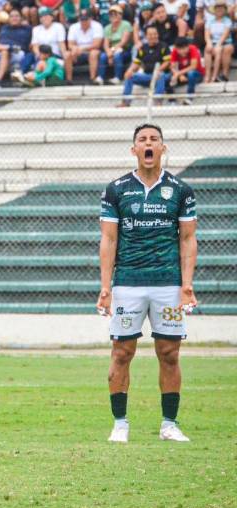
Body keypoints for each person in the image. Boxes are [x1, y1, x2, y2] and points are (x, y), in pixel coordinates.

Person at [97, 123, 197, 445]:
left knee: (169, 353)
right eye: (143, 140)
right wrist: (106, 287)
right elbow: (108, 240)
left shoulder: (181, 190)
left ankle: (169, 424)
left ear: (163, 148)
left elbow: (188, 238)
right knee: (122, 351)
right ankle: (120, 424)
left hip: (168, 284)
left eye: (154, 139)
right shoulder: (116, 189)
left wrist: (186, 285)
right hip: (128, 284)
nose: (148, 144)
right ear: (134, 149)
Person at [119, 25, 169, 107]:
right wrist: (130, 70)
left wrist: (158, 71)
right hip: (147, 76)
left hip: (161, 77)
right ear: (146, 36)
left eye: (155, 34)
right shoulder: (143, 48)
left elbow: (167, 62)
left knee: (161, 75)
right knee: (130, 76)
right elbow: (136, 63)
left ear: (158, 34)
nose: (153, 36)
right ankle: (125, 102)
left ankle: (158, 101)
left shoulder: (164, 46)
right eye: (150, 34)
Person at [65, 9, 103, 83]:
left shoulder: (97, 26)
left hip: (91, 50)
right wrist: (75, 49)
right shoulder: (73, 27)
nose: (83, 21)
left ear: (91, 18)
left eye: (86, 19)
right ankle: (69, 80)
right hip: (77, 52)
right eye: (81, 19)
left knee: (93, 53)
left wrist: (81, 49)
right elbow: (70, 44)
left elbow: (97, 45)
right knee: (67, 54)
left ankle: (92, 79)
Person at [202, 1, 233, 83]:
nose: (219, 9)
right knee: (207, 49)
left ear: (224, 10)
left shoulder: (227, 21)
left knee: (219, 50)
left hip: (224, 42)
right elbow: (207, 34)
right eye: (218, 8)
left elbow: (225, 34)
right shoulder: (209, 21)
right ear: (214, 10)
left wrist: (218, 45)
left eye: (222, 8)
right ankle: (207, 75)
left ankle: (215, 76)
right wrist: (209, 43)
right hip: (213, 42)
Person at [103, 4, 133, 84]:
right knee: (103, 56)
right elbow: (106, 43)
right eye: (111, 14)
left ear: (120, 15)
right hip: (112, 50)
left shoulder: (126, 24)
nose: (113, 16)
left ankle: (118, 77)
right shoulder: (107, 27)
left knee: (117, 55)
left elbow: (123, 42)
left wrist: (111, 52)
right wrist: (109, 52)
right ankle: (100, 78)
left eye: (115, 14)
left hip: (125, 50)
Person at [167, 36, 203, 103]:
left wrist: (178, 73)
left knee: (191, 73)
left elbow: (193, 66)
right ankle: (172, 101)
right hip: (183, 76)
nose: (181, 51)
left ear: (188, 46)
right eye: (179, 49)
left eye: (184, 48)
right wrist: (179, 75)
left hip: (197, 75)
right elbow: (172, 67)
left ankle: (190, 98)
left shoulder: (193, 49)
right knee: (167, 77)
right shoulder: (175, 51)